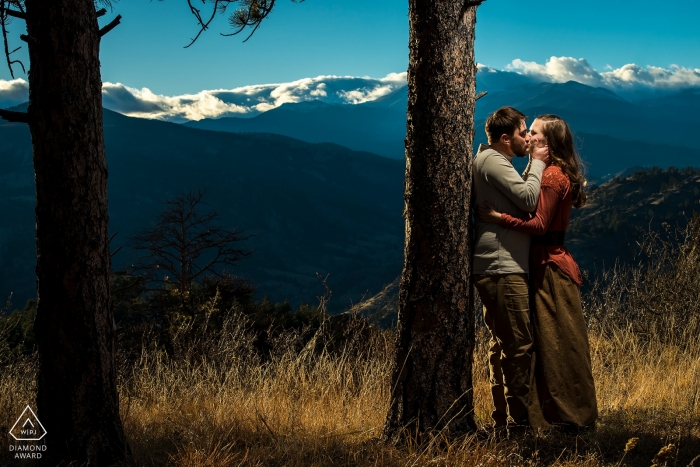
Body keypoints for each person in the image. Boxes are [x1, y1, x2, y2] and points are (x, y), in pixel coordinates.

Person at [478, 114, 598, 431]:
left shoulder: (552, 177)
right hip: (543, 260)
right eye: (526, 130)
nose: (528, 136)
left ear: (547, 142)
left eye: (533, 132)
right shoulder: (551, 173)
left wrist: (497, 216)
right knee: (545, 341)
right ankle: (550, 413)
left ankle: (559, 415)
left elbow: (539, 224)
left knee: (552, 342)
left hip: (547, 264)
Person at [472, 107, 549, 433]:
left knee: (503, 346)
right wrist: (539, 162)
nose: (527, 139)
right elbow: (529, 199)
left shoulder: (492, 160)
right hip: (502, 267)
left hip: (499, 265)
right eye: (522, 133)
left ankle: (503, 422)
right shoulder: (494, 162)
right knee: (518, 347)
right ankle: (520, 427)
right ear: (506, 139)